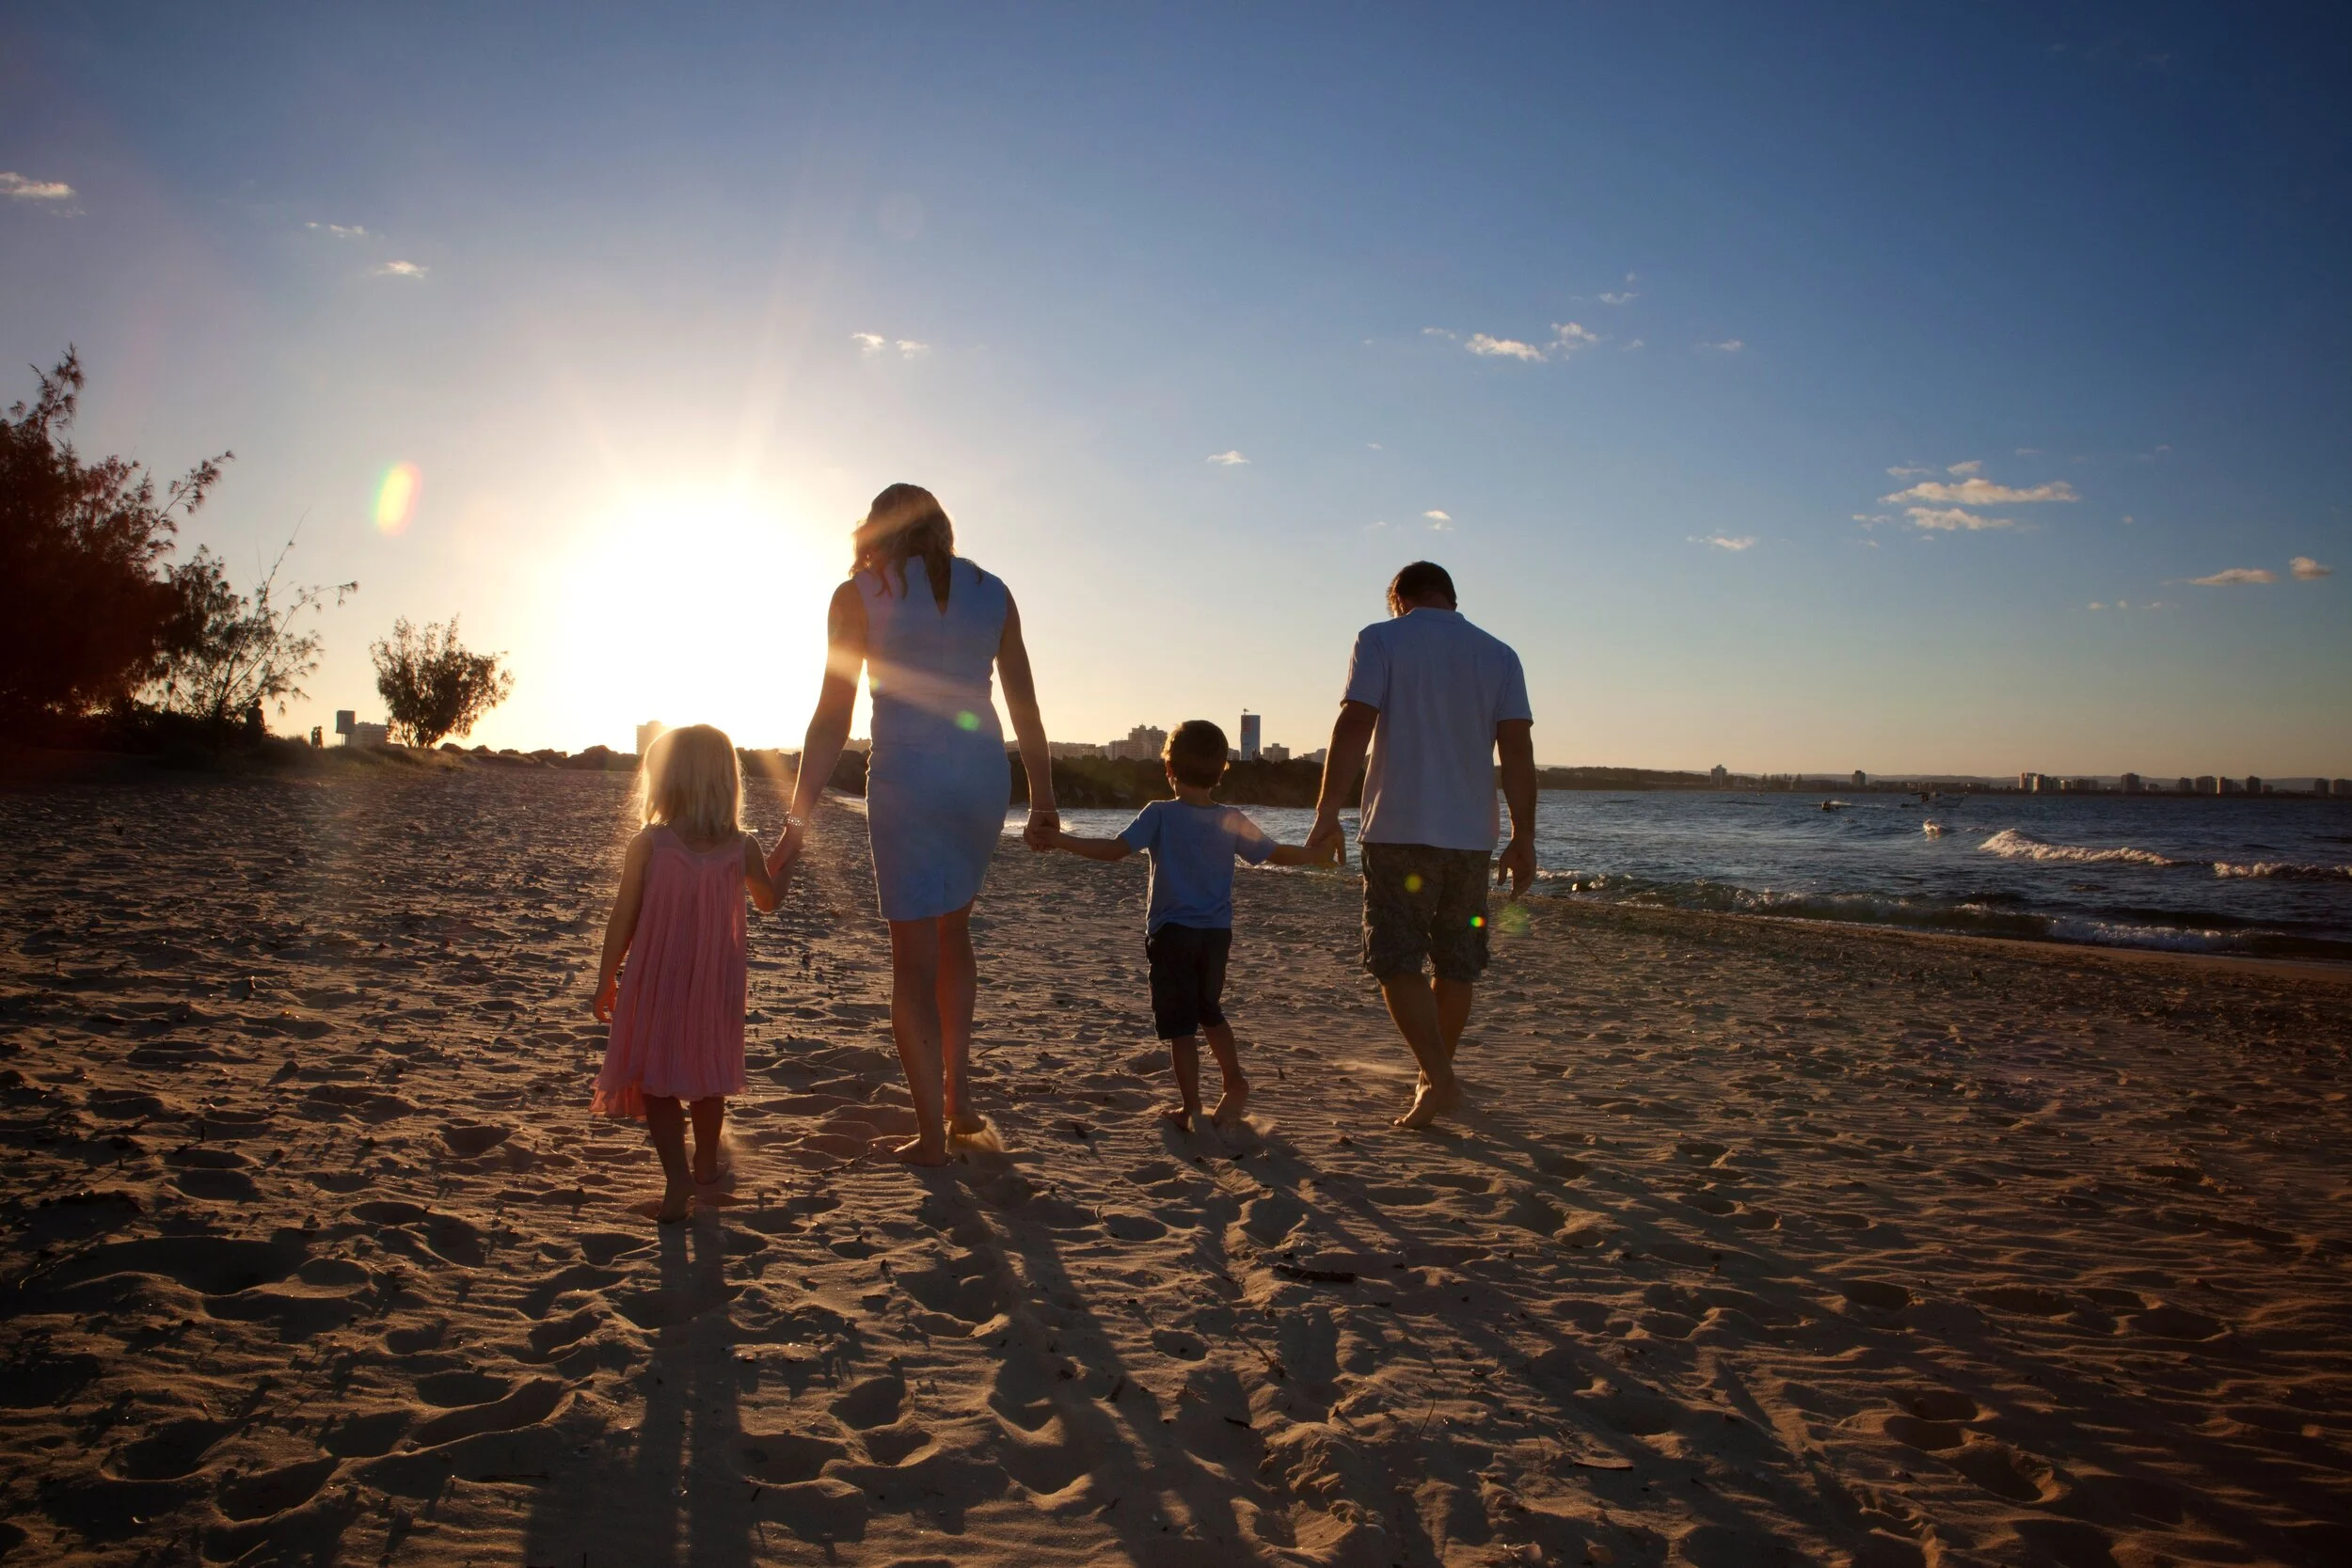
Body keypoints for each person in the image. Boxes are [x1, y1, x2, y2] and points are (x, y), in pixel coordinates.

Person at [770, 483, 1057, 1166]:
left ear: (875, 530)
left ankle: (931, 1135)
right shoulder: (994, 590)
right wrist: (1043, 800)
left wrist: (797, 819)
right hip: (983, 776)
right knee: (952, 927)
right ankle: (959, 1097)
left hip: (908, 776)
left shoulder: (858, 595)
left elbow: (832, 716)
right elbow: (1026, 709)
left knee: (912, 960)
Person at [1306, 562, 1536, 1130]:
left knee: (1394, 959)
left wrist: (1326, 812)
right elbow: (1518, 752)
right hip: (1470, 838)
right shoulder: (1500, 654)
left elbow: (1353, 726)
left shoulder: (1381, 638)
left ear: (1398, 599)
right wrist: (1523, 836)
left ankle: (1441, 1080)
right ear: (1451, 598)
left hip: (1397, 829)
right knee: (1456, 965)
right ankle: (1433, 1083)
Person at [1044, 721, 1327, 1132]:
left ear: (1169, 770)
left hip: (1172, 933)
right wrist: (1316, 856)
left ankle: (1192, 1107)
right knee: (1210, 1012)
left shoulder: (1159, 813)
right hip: (1216, 935)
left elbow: (1113, 850)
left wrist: (1059, 840)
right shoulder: (1231, 817)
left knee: (1180, 1027)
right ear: (1221, 771)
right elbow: (1274, 853)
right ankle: (1235, 1081)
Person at [591, 724, 783, 1223]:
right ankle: (703, 1163)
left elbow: (623, 917)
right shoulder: (744, 847)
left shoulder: (650, 844)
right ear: (726, 780)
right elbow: (768, 901)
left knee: (656, 1080)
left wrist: (606, 977)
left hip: (656, 977)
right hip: (715, 983)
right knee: (707, 1074)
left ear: (667, 779)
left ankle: (676, 1176)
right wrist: (791, 847)